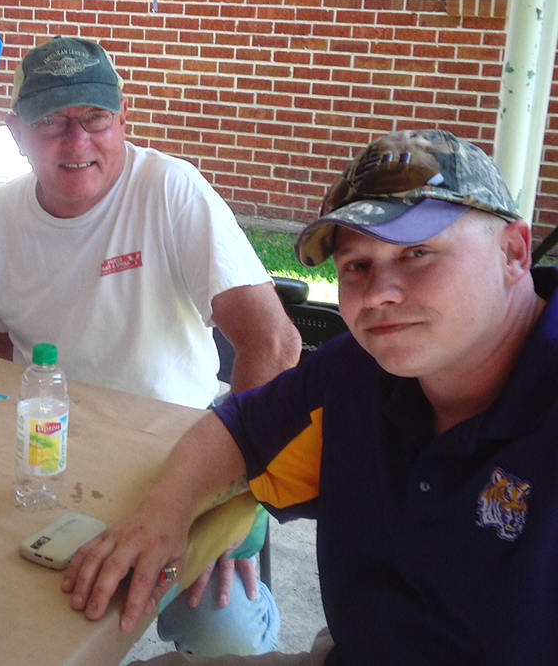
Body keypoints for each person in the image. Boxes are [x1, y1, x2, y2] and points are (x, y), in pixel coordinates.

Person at [63, 129, 557, 665]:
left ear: (513, 253)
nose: (378, 294)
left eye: (417, 253)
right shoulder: (359, 371)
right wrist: (165, 512)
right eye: (357, 266)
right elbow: (237, 431)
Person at [0, 36, 302, 656]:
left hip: (180, 459)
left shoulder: (169, 189)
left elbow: (273, 341)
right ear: (16, 132)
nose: (76, 142)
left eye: (95, 118)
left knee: (222, 634)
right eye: (51, 122)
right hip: (46, 454)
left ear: (123, 117)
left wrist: (230, 503)